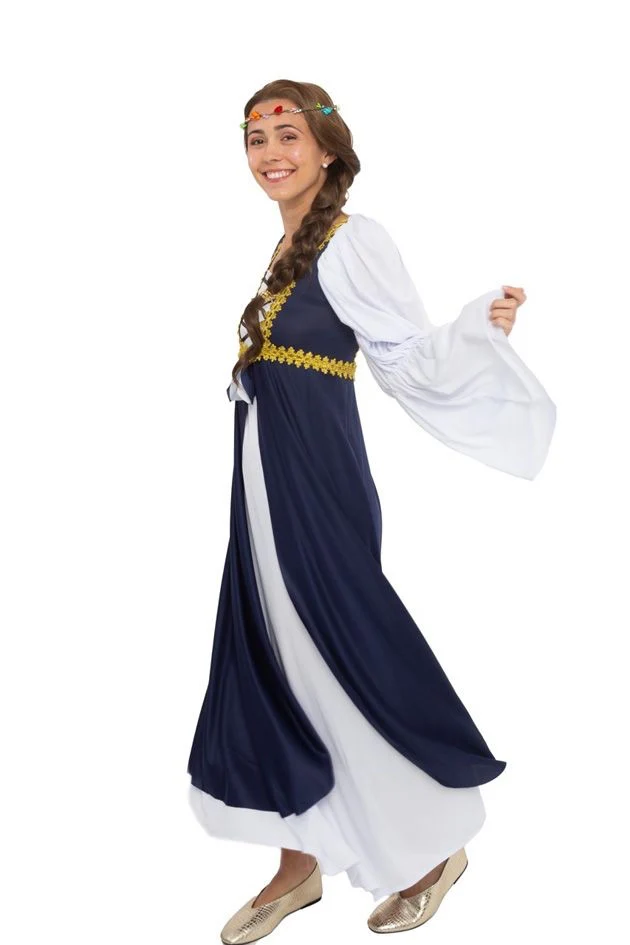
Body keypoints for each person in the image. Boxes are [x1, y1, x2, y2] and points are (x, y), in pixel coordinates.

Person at [186, 79, 556, 944]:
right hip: (262, 479)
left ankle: (432, 847)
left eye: (287, 134)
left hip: (315, 481)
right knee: (274, 658)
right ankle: (300, 857)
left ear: (327, 150)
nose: (270, 152)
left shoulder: (354, 239)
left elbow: (405, 353)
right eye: (255, 138)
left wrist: (477, 329)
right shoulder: (284, 251)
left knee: (335, 652)